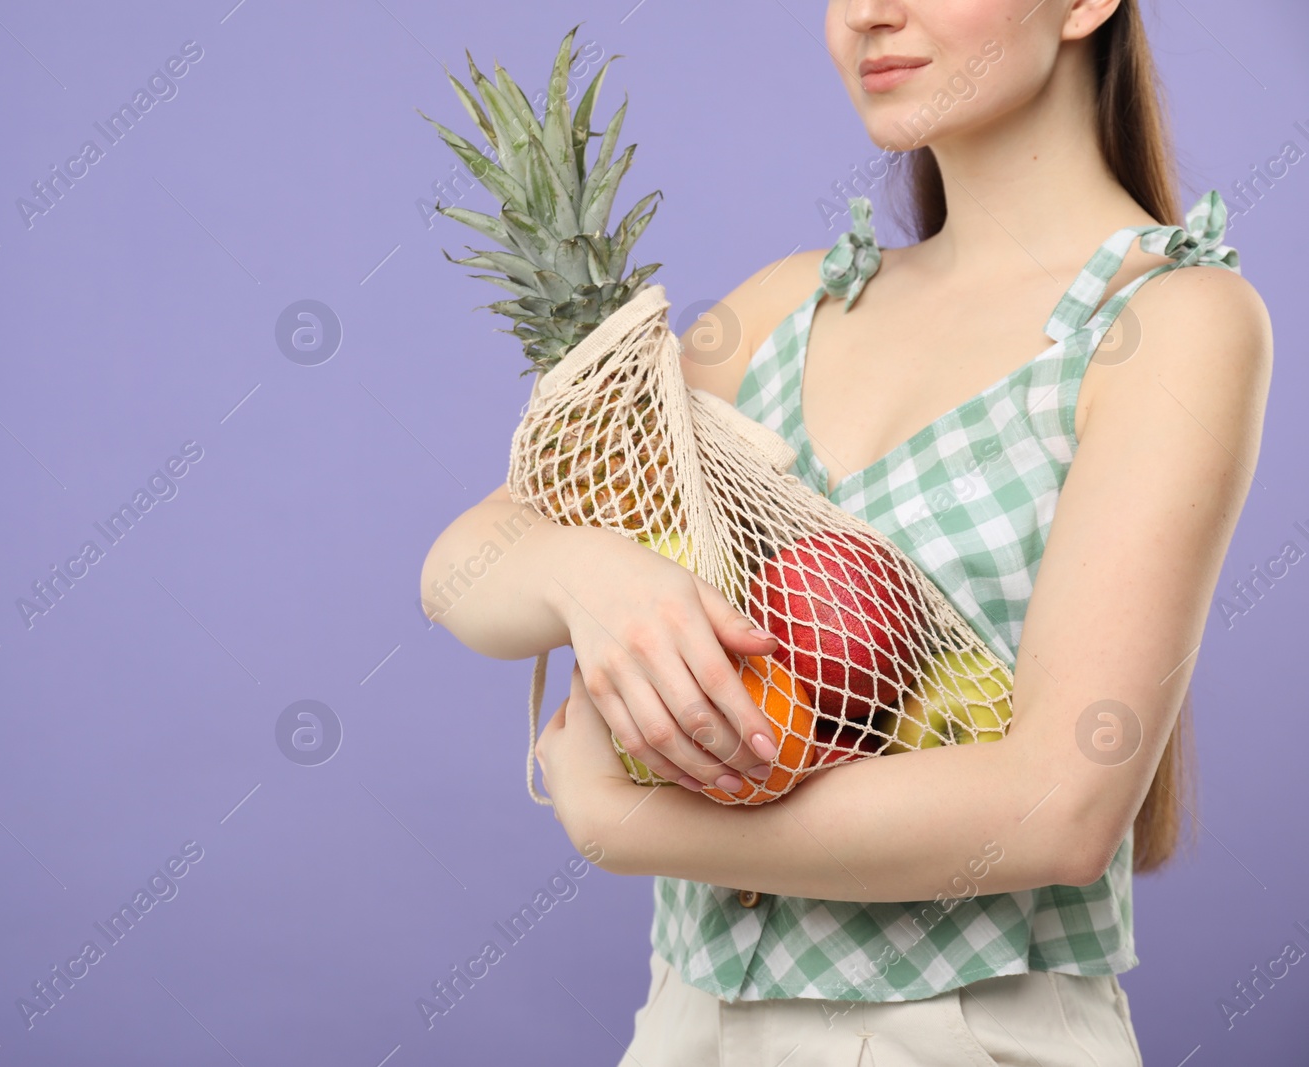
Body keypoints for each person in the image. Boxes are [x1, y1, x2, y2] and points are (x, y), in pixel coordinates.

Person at [418, 0, 1272, 1062]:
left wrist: (627, 825)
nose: (868, 13)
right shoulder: (793, 303)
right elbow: (462, 568)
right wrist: (586, 571)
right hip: (684, 1026)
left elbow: (1059, 805)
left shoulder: (1170, 321)